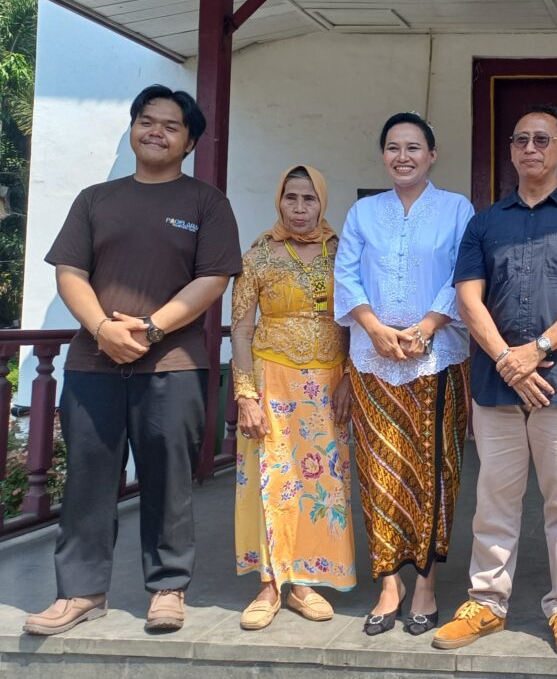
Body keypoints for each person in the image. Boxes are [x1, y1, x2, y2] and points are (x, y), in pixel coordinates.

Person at [24, 84, 241, 636]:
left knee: (169, 480)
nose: (156, 132)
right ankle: (80, 592)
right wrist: (102, 329)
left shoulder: (206, 203)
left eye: (171, 126)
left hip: (173, 364)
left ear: (189, 142)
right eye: (147, 121)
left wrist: (151, 327)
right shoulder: (95, 199)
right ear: (132, 128)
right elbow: (70, 272)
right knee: (88, 480)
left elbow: (212, 279)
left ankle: (168, 588)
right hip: (92, 362)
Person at [433, 104, 557, 659]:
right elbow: (468, 298)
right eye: (521, 140)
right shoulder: (485, 223)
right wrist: (506, 359)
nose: (531, 148)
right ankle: (487, 603)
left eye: (543, 139)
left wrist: (535, 351)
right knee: (495, 499)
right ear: (511, 151)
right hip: (497, 388)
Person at [334, 112, 474, 636]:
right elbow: (346, 275)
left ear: (432, 155)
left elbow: (464, 273)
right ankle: (389, 582)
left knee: (435, 472)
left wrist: (428, 326)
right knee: (379, 472)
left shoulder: (456, 209)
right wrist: (373, 329)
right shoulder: (364, 212)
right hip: (373, 361)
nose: (403, 156)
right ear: (383, 155)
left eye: (413, 147)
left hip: (437, 360)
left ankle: (426, 584)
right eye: (393, 147)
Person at [231, 164, 356, 629]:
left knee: (319, 483)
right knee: (271, 479)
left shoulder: (342, 254)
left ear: (322, 203)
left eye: (309, 199)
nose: (300, 208)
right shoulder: (258, 256)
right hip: (272, 382)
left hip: (327, 387)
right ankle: (269, 583)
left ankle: (304, 581)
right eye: (291, 198)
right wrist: (246, 395)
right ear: (279, 201)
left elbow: (356, 320)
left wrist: (349, 378)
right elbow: (241, 330)